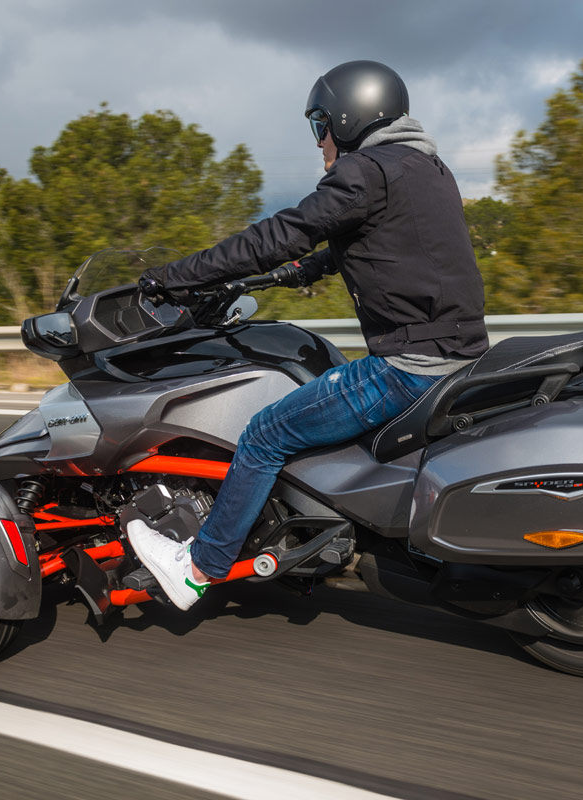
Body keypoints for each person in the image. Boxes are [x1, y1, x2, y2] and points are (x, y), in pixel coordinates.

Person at [126, 60, 488, 610]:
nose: (318, 138)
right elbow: (388, 240)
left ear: (348, 117)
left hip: (409, 365)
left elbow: (277, 235)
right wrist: (308, 270)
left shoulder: (364, 171)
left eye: (321, 123)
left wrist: (172, 276)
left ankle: (199, 567)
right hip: (460, 354)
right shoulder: (425, 166)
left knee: (265, 433)